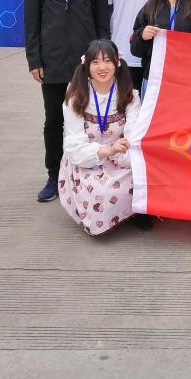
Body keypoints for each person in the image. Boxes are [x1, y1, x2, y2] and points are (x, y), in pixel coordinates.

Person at [24, 0, 111, 203]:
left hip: (86, 64)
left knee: (90, 119)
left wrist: (102, 60)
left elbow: (102, 22)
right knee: (53, 120)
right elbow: (31, 23)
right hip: (51, 61)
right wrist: (34, 60)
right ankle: (54, 175)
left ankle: (89, 172)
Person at [59, 39, 150, 234]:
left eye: (108, 61)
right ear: (87, 66)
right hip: (88, 157)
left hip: (121, 154)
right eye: (96, 62)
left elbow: (133, 134)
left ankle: (135, 213)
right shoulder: (75, 96)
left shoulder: (129, 95)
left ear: (117, 63)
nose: (102, 67)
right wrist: (105, 151)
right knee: (101, 192)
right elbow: (74, 143)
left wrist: (121, 151)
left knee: (145, 177)